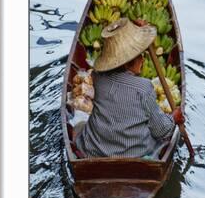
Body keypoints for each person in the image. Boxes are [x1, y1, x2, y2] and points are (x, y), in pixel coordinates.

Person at [75, 17, 184, 159]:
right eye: (140, 56)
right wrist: (173, 118)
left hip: (94, 150)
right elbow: (161, 130)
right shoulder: (144, 87)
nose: (143, 60)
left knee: (79, 127)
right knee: (160, 136)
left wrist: (136, 31)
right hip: (135, 154)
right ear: (127, 63)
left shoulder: (98, 76)